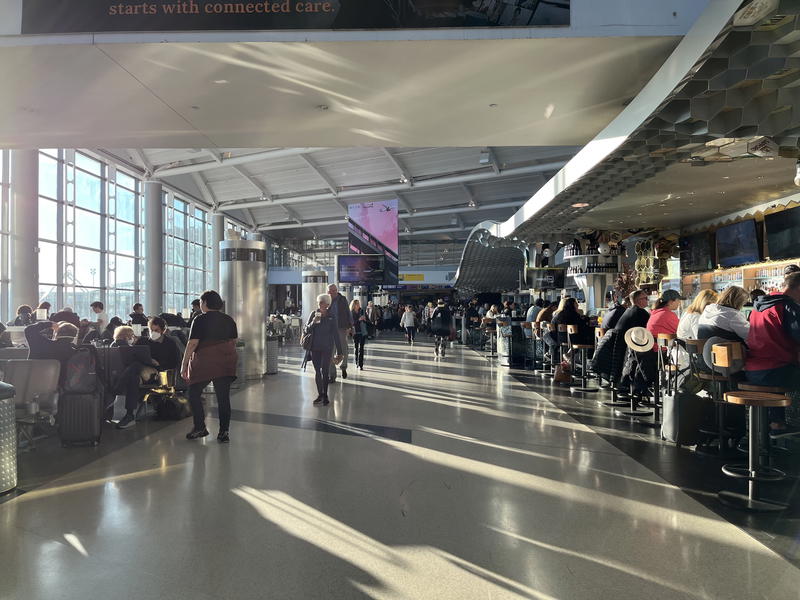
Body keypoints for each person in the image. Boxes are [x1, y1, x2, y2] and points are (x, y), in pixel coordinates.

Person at [745, 269, 800, 436]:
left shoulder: (758, 306)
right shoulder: (787, 306)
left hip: (753, 371)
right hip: (775, 370)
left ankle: (777, 423)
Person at [181, 290, 238, 443]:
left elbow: (192, 343)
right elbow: (234, 341)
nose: (200, 304)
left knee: (193, 393)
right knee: (223, 398)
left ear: (205, 303)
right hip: (225, 361)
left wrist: (184, 364)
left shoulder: (199, 319)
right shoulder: (229, 319)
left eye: (201, 301)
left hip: (205, 361)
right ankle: (224, 432)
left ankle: (200, 427)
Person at [111, 325, 160, 430]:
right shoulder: (131, 349)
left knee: (133, 373)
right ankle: (129, 415)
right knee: (134, 375)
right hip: (133, 377)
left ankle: (129, 415)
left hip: (115, 379)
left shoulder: (112, 347)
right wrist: (151, 361)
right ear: (127, 337)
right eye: (132, 336)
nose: (133, 338)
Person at [306, 294, 344, 405]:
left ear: (327, 304)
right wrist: (313, 322)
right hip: (315, 347)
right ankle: (320, 394)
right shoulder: (314, 314)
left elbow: (336, 334)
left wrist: (340, 352)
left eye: (322, 302)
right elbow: (306, 329)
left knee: (325, 371)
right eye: (319, 302)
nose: (320, 304)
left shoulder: (332, 316)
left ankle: (326, 395)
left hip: (327, 347)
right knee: (318, 371)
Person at [24, 320, 78, 386]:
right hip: (61, 388)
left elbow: (29, 330)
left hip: (32, 383)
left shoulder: (40, 345)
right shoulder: (75, 352)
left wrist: (50, 324)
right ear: (74, 338)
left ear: (56, 334)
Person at [327, 284, 353, 381]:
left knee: (343, 350)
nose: (332, 292)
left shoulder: (342, 299)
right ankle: (332, 375)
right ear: (328, 292)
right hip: (330, 329)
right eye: (330, 291)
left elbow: (348, 312)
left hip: (341, 328)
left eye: (334, 290)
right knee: (330, 351)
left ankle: (343, 367)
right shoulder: (327, 300)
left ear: (337, 290)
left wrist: (350, 326)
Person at [350, 299, 368, 370]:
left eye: (358, 303)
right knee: (356, 348)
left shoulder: (362, 311)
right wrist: (359, 320)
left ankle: (361, 364)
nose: (358, 305)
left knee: (362, 348)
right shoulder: (351, 313)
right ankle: (356, 362)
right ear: (354, 305)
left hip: (362, 332)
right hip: (355, 332)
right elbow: (352, 323)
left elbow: (367, 320)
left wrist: (365, 319)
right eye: (357, 304)